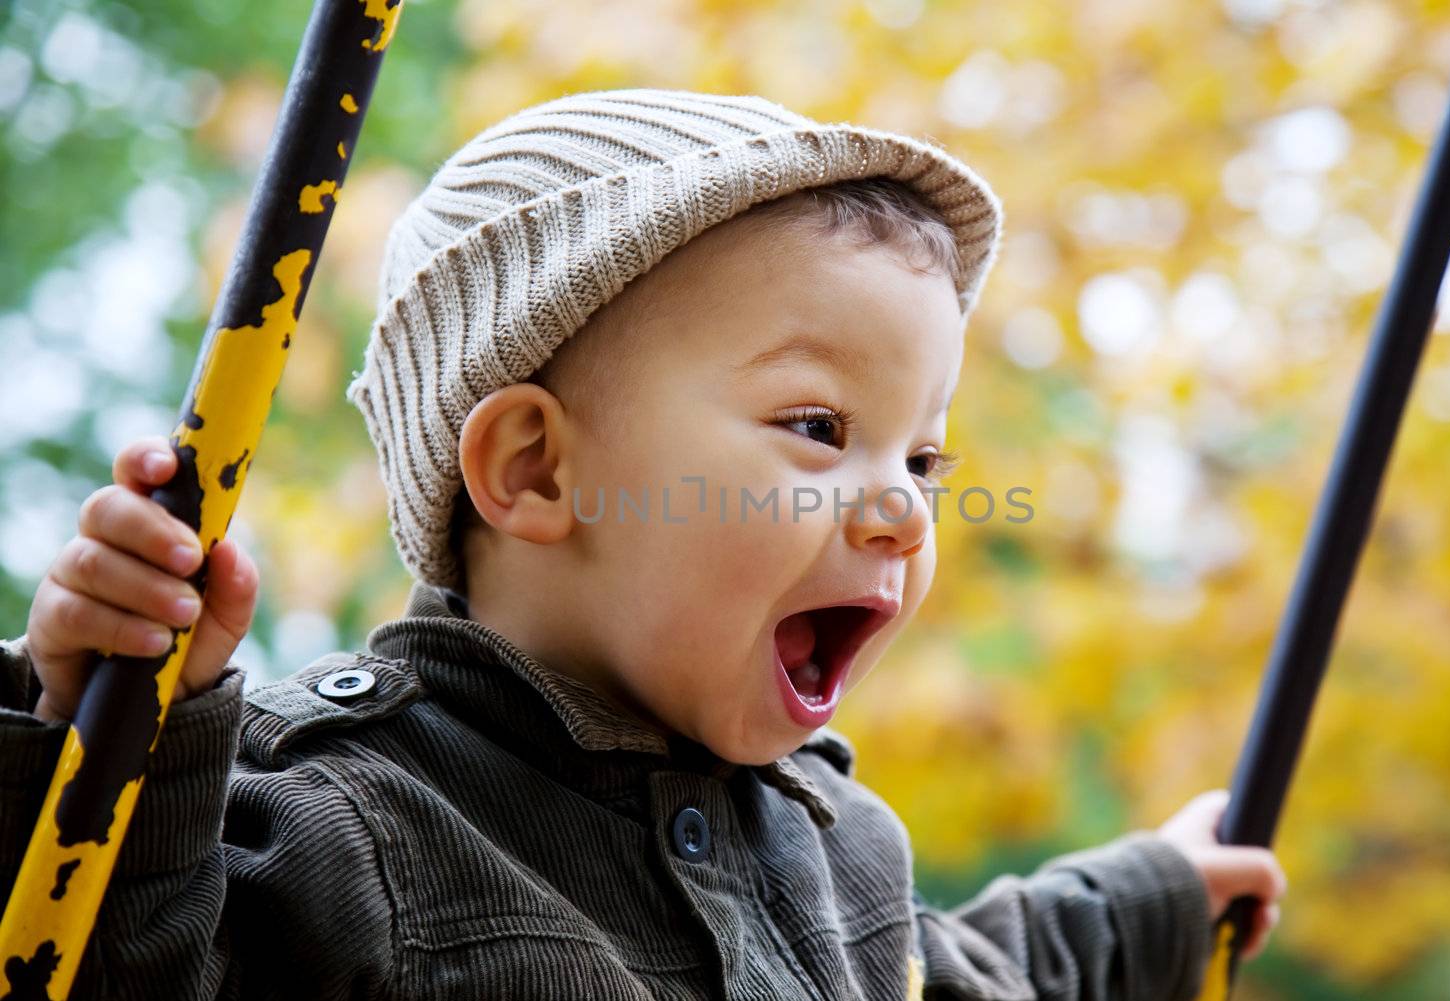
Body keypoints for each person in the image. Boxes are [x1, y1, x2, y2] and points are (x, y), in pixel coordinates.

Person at [1, 88, 1286, 999]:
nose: (901, 504)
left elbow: (975, 976)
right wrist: (101, 729)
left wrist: (1151, 894)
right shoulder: (345, 820)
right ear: (537, 468)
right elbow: (107, 959)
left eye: (924, 456)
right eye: (819, 425)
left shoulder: (835, 847)